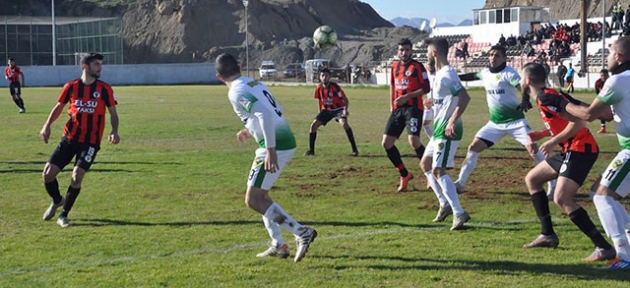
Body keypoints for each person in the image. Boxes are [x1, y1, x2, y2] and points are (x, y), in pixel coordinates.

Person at [214, 53, 317, 263]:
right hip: (281, 141)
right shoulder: (253, 83)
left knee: (253, 199)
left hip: (275, 146)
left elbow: (266, 115)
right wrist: (250, 130)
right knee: (262, 197)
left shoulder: (236, 91)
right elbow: (273, 110)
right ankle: (278, 244)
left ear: (218, 77)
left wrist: (270, 149)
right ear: (240, 67)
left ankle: (301, 232)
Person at [542, 36, 630, 270]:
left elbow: (590, 115)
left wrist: (561, 103)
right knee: (607, 194)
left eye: (610, 52)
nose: (608, 57)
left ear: (619, 57)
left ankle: (624, 255)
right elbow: (607, 115)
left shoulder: (618, 80)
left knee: (601, 196)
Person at [519, 62, 615, 263]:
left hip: (580, 148)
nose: (520, 82)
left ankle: (603, 247)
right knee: (533, 179)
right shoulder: (547, 95)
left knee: (562, 198)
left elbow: (579, 122)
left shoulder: (546, 96)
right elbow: (565, 120)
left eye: (521, 78)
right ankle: (547, 234)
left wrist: (552, 141)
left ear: (527, 80)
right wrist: (543, 133)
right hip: (569, 148)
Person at [455, 45, 555, 197]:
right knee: (473, 147)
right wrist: (456, 77)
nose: (492, 58)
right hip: (495, 123)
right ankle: (460, 184)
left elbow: (522, 85)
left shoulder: (509, 73)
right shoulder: (486, 72)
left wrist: (525, 99)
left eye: (496, 55)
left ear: (504, 58)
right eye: (491, 55)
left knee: (533, 150)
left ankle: (552, 183)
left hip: (516, 122)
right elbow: (473, 75)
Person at [39, 53, 120, 228]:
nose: (100, 68)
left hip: (91, 142)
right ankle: (57, 200)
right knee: (47, 174)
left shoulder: (105, 89)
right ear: (85, 66)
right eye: (96, 64)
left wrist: (114, 131)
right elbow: (59, 107)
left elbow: (113, 113)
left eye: (100, 64)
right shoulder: (71, 87)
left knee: (77, 176)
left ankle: (64, 215)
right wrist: (47, 125)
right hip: (69, 138)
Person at [420, 37, 471, 230]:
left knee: (438, 170)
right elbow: (445, 98)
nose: (426, 56)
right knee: (425, 164)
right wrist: (431, 103)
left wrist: (451, 120)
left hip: (448, 129)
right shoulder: (440, 74)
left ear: (434, 53)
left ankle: (459, 212)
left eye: (427, 52)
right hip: (440, 128)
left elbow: (464, 97)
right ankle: (445, 203)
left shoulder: (448, 74)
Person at [383, 38, 431, 192]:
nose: (404, 53)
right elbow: (392, 85)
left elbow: (426, 88)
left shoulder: (417, 67)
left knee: (414, 141)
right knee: (386, 143)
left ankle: (430, 175)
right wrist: (392, 104)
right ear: (398, 51)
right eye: (401, 50)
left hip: (413, 108)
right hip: (398, 109)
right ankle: (404, 174)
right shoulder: (394, 66)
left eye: (407, 50)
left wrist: (407, 97)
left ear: (411, 51)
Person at [305, 68, 359, 156]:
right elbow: (319, 100)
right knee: (313, 126)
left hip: (339, 109)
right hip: (327, 110)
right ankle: (311, 150)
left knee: (344, 124)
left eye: (326, 75)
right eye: (322, 75)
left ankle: (355, 150)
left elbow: (345, 99)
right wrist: (319, 112)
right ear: (319, 77)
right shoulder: (319, 88)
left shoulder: (335, 87)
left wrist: (345, 110)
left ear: (329, 77)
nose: (324, 77)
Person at [594, 69, 609, 134]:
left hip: (613, 99)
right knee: (601, 112)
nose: (603, 77)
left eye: (604, 75)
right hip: (603, 100)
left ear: (608, 75)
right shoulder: (598, 82)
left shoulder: (611, 81)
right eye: (602, 75)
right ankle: (603, 128)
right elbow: (597, 93)